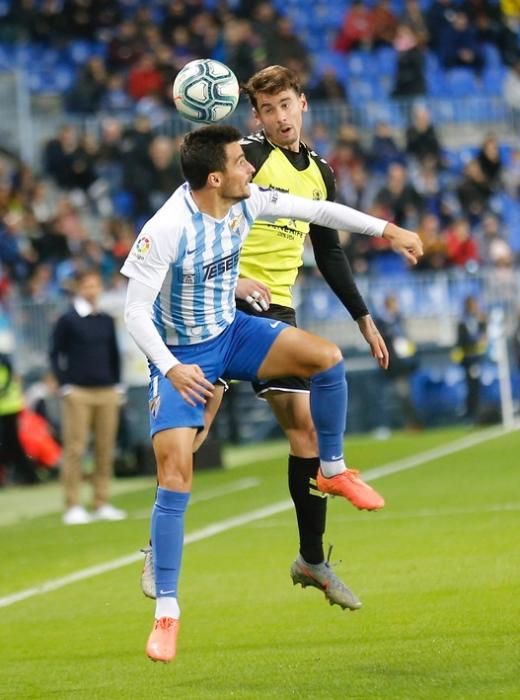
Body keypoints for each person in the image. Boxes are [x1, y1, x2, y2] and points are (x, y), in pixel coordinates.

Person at [121, 124, 423, 663]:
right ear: (216, 177)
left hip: (233, 331)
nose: (251, 167)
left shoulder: (246, 200)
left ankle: (331, 468)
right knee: (175, 471)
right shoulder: (166, 227)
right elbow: (133, 311)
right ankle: (167, 610)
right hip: (183, 355)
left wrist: (389, 230)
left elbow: (321, 212)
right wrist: (168, 368)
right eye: (241, 161)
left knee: (327, 360)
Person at [49, 268, 126, 525]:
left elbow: (114, 353)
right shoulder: (68, 320)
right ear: (79, 289)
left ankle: (101, 501)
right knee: (75, 448)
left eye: (96, 286)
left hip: (107, 391)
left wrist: (117, 384)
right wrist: (65, 386)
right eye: (87, 286)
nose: (92, 290)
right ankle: (72, 504)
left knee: (105, 448)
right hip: (78, 392)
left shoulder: (105, 318)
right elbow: (54, 353)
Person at [375, 294, 421, 430]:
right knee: (400, 395)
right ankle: (408, 423)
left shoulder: (398, 320)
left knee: (405, 394)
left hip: (404, 363)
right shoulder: (382, 322)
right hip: (392, 364)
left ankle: (411, 423)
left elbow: (405, 339)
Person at [455, 295, 488, 422]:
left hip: (479, 359)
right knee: (471, 387)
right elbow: (460, 341)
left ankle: (478, 414)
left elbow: (483, 336)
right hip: (469, 360)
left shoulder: (479, 320)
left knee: (478, 387)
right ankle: (471, 415)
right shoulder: (463, 322)